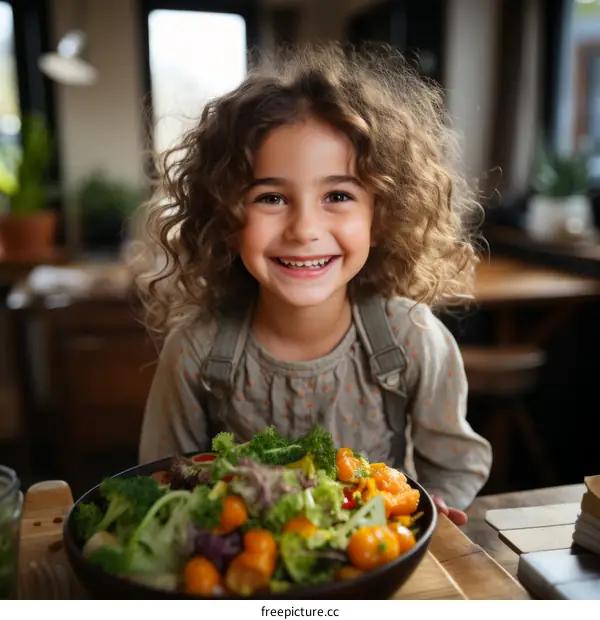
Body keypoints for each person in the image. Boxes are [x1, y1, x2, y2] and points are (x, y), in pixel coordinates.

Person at [132, 43, 492, 525]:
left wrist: (440, 506)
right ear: (226, 216)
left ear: (381, 215)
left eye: (338, 195)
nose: (304, 229)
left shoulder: (411, 338)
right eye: (272, 197)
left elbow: (454, 467)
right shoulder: (195, 353)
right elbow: (160, 486)